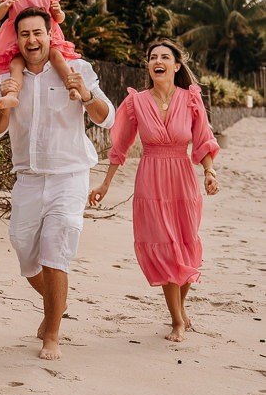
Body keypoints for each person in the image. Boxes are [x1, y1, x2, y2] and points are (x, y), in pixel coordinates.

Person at [0, 6, 115, 360]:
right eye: (24, 34)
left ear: (49, 34)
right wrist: (4, 104)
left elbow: (107, 118)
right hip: (27, 177)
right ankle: (56, 302)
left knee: (56, 251)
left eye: (37, 33)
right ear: (18, 39)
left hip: (69, 175)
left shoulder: (77, 69)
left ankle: (52, 334)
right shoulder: (6, 79)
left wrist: (86, 94)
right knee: (25, 252)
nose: (31, 40)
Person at [88, 39, 219, 343]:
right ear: (148, 66)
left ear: (176, 65)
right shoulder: (135, 103)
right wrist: (105, 183)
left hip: (183, 180)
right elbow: (119, 146)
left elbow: (203, 141)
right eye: (152, 57)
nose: (157, 61)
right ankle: (177, 321)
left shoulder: (191, 99)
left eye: (164, 57)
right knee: (165, 249)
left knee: (186, 247)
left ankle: (181, 307)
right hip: (150, 181)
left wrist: (210, 173)